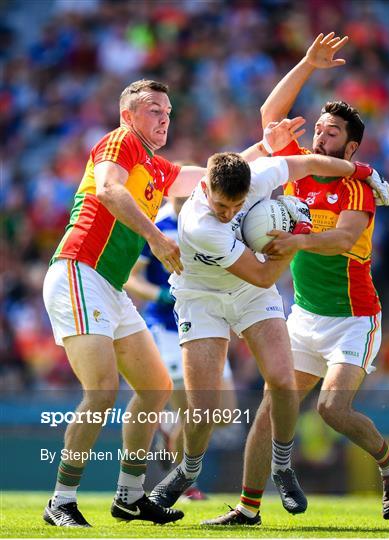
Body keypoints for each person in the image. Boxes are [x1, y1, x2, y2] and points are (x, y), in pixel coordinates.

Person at [202, 32, 389, 527]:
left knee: (334, 410)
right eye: (319, 129)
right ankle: (247, 510)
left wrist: (293, 242)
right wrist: (308, 64)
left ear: (351, 147)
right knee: (271, 409)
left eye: (332, 133)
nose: (320, 137)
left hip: (355, 319)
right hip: (306, 316)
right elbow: (270, 114)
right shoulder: (296, 170)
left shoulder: (355, 185)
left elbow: (341, 240)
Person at [149, 141, 384, 522]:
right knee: (204, 407)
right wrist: (295, 241)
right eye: (221, 206)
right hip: (202, 296)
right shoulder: (199, 223)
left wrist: (364, 172)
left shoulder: (258, 178)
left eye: (237, 207)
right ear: (205, 189)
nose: (228, 215)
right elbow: (261, 274)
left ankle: (282, 466)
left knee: (282, 380)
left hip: (248, 295)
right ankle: (188, 469)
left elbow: (305, 161)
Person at [42, 79, 208, 528]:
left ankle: (129, 495)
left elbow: (210, 175)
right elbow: (110, 192)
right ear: (128, 115)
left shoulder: (156, 167)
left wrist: (264, 152)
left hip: (109, 286)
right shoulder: (121, 141)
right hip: (78, 270)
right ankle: (61, 499)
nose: (163, 118)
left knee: (155, 387)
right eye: (154, 109)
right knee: (101, 390)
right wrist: (155, 238)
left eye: (168, 112)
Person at [125, 194, 237, 500]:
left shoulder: (210, 221)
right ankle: (185, 486)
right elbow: (130, 279)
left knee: (224, 414)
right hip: (167, 327)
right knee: (193, 410)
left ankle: (170, 430)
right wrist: (162, 295)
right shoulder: (157, 226)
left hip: (207, 324)